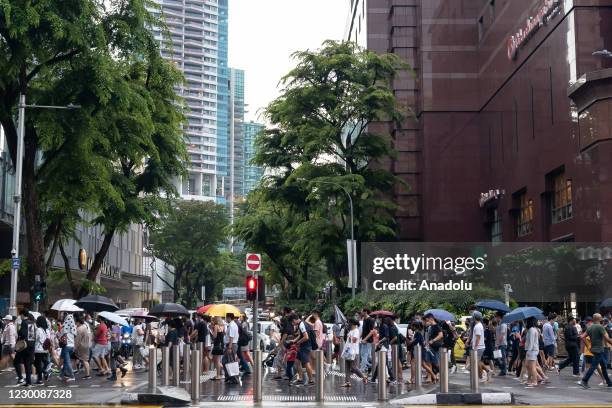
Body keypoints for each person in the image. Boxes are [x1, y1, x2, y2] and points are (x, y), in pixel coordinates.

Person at [578, 313, 612, 389]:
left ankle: (609, 382)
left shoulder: (590, 327)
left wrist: (588, 345)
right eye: (601, 317)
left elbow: (582, 337)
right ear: (599, 319)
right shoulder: (600, 327)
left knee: (603, 366)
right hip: (599, 350)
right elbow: (606, 338)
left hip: (593, 349)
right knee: (593, 366)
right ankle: (584, 380)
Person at [341, 319, 367, 387]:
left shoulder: (356, 331)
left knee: (353, 368)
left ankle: (363, 377)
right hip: (348, 351)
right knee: (347, 367)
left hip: (353, 351)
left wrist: (349, 336)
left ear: (353, 324)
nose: (349, 324)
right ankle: (347, 382)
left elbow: (354, 340)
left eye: (349, 323)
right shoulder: (350, 331)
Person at [290, 313, 314, 386]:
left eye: (292, 322)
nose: (293, 324)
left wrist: (298, 343)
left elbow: (306, 337)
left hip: (305, 346)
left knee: (306, 363)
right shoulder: (302, 323)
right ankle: (300, 378)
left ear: (294, 320)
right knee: (297, 361)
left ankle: (310, 381)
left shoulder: (302, 324)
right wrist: (294, 340)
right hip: (304, 346)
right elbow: (301, 335)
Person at [14, 310, 35, 386]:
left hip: (24, 346)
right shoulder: (32, 323)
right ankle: (28, 381)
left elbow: (22, 334)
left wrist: (19, 332)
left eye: (20, 315)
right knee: (28, 364)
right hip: (31, 346)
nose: (20, 317)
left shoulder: (24, 322)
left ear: (22, 315)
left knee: (16, 361)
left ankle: (21, 378)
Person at [471, 311, 489, 382]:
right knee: (478, 362)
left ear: (475, 317)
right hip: (480, 347)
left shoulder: (478, 326)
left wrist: (475, 347)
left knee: (477, 362)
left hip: (479, 347)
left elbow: (478, 337)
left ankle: (482, 375)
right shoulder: (479, 325)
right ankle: (486, 371)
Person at [33, 315, 50, 385]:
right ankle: (45, 371)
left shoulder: (38, 330)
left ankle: (40, 379)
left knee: (37, 364)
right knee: (43, 362)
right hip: (45, 349)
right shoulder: (47, 330)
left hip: (38, 350)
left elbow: (35, 338)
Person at [223, 313, 239, 383]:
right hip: (230, 345)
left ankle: (234, 379)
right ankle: (228, 377)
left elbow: (231, 337)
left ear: (229, 318)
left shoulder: (232, 325)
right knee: (224, 361)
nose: (226, 319)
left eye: (226, 317)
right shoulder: (231, 325)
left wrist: (229, 347)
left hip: (231, 345)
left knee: (231, 362)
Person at [524, 317, 540, 387]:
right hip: (532, 349)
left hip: (532, 350)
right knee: (528, 365)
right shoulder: (532, 329)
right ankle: (529, 379)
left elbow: (531, 341)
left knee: (532, 366)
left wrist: (529, 351)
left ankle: (534, 381)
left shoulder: (532, 330)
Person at [494, 311, 508, 376]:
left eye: (495, 316)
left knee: (502, 358)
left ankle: (504, 370)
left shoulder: (503, 324)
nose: (495, 318)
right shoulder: (499, 324)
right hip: (499, 344)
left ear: (499, 317)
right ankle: (503, 370)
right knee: (497, 357)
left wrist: (497, 344)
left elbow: (502, 335)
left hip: (502, 344)